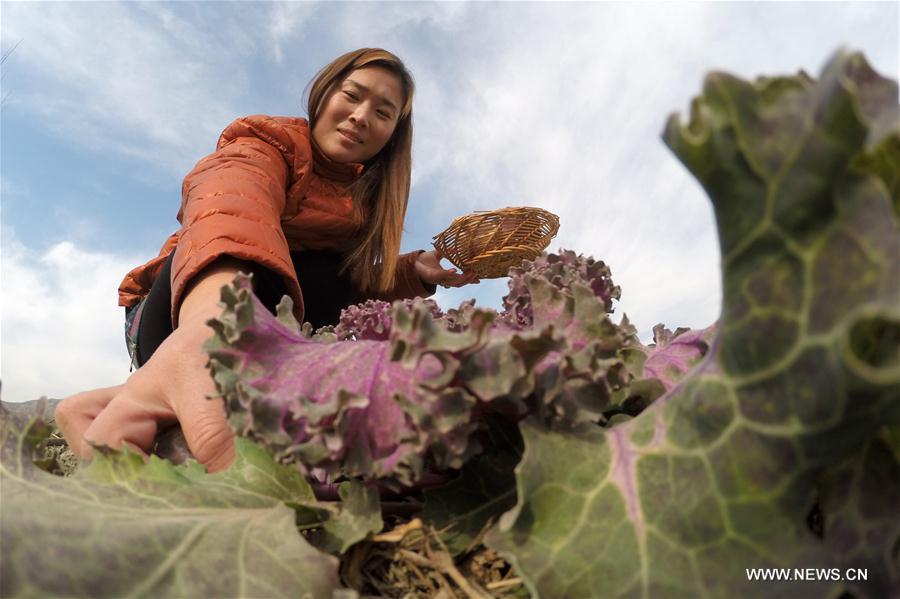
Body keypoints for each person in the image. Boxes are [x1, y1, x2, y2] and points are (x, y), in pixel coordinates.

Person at [55, 48, 478, 473]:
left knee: (331, 278)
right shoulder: (266, 145)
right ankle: (180, 376)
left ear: (393, 134)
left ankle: (99, 404)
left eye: (383, 112)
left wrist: (412, 272)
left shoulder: (366, 204)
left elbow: (351, 289)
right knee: (281, 260)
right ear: (324, 92)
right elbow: (231, 206)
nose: (360, 116)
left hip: (264, 330)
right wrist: (208, 327)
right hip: (177, 316)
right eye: (352, 95)